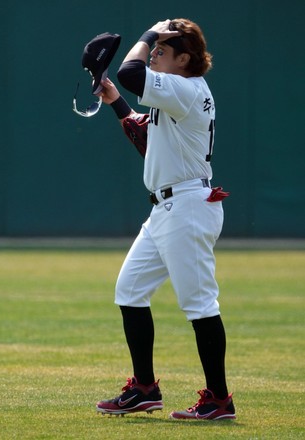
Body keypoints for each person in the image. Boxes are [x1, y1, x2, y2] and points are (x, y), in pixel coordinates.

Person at [95, 18, 236, 420]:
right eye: (155, 48)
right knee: (130, 289)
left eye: (163, 50)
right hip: (167, 207)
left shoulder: (186, 88)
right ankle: (144, 389)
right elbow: (148, 141)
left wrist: (147, 34)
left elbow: (129, 72)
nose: (155, 52)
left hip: (188, 206)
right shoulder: (175, 93)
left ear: (184, 59)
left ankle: (219, 400)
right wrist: (115, 102)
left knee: (200, 304)